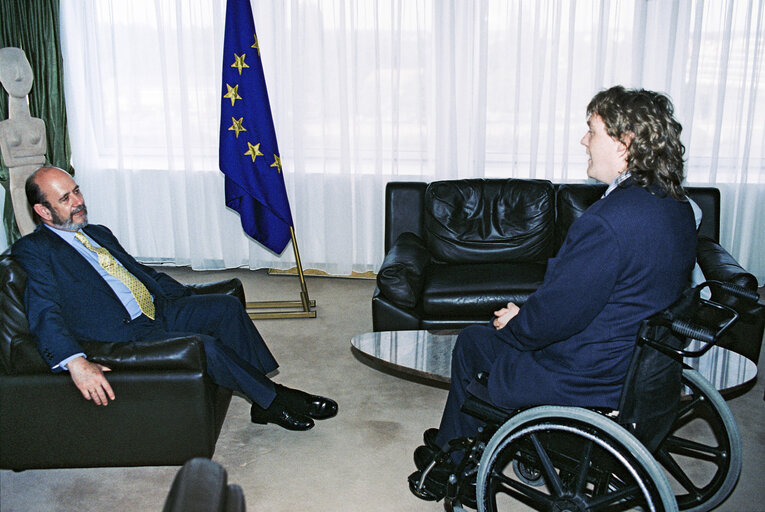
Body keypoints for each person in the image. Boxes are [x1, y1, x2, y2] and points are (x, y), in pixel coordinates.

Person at [410, 86, 698, 494]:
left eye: (592, 131)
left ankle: (452, 460)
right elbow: (600, 297)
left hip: (587, 375)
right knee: (508, 327)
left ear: (625, 142)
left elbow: (557, 316)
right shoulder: (675, 205)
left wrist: (517, 323)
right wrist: (529, 316)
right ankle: (454, 443)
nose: (584, 141)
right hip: (642, 364)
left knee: (475, 341)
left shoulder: (608, 221)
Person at [12, 165, 337, 431]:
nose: (78, 201)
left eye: (77, 190)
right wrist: (75, 362)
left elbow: (141, 274)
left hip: (155, 310)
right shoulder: (35, 250)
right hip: (125, 333)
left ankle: (262, 399)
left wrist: (186, 297)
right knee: (203, 345)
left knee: (225, 307)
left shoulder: (96, 233)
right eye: (65, 198)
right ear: (43, 210)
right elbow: (44, 310)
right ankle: (275, 400)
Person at [0, 47, 47, 236]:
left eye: (24, 68)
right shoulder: (4, 127)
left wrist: (23, 156)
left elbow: (42, 157)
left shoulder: (39, 123)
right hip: (19, 187)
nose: (19, 75)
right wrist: (30, 157)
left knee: (50, 232)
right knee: (31, 234)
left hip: (41, 184)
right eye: (10, 69)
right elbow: (9, 162)